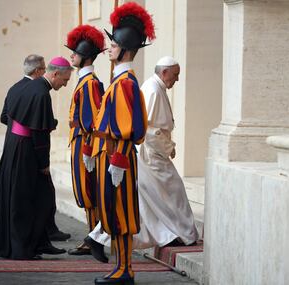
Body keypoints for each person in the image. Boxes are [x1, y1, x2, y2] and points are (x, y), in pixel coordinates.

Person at [87, 56, 198, 250]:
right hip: (150, 155)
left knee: (144, 205)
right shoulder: (153, 89)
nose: (177, 80)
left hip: (151, 153)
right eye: (175, 75)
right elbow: (148, 129)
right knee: (172, 191)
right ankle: (180, 232)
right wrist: (168, 147)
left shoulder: (154, 87)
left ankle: (98, 238)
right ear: (164, 73)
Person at [0, 54, 71, 242]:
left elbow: (5, 117)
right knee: (18, 195)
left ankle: (45, 235)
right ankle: (35, 237)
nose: (65, 85)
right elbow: (38, 131)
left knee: (15, 191)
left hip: (14, 144)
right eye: (64, 80)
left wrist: (29, 125)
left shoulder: (17, 87)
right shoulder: (38, 91)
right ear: (43, 71)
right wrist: (34, 127)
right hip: (25, 148)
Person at [90, 2, 154, 284]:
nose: (109, 49)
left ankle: (126, 270)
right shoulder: (120, 81)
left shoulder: (125, 82)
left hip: (120, 154)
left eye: (114, 44)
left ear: (125, 49)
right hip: (112, 152)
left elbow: (130, 129)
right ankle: (120, 267)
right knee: (113, 212)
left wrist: (116, 159)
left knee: (122, 213)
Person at [64, 25, 107, 257]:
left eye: (76, 52)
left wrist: (88, 150)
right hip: (79, 141)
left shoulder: (89, 83)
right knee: (85, 192)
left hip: (85, 143)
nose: (72, 55)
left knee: (89, 192)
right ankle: (92, 236)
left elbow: (91, 122)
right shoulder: (84, 81)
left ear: (86, 57)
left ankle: (94, 238)